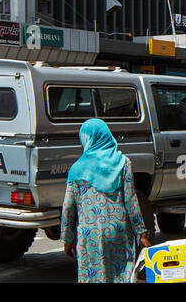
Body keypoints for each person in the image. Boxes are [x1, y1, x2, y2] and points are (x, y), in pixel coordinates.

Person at [61, 118, 149, 282]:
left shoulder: (76, 169)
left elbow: (68, 208)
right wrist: (141, 233)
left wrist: (67, 239)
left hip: (89, 235)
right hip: (118, 233)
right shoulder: (123, 163)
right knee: (121, 277)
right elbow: (131, 201)